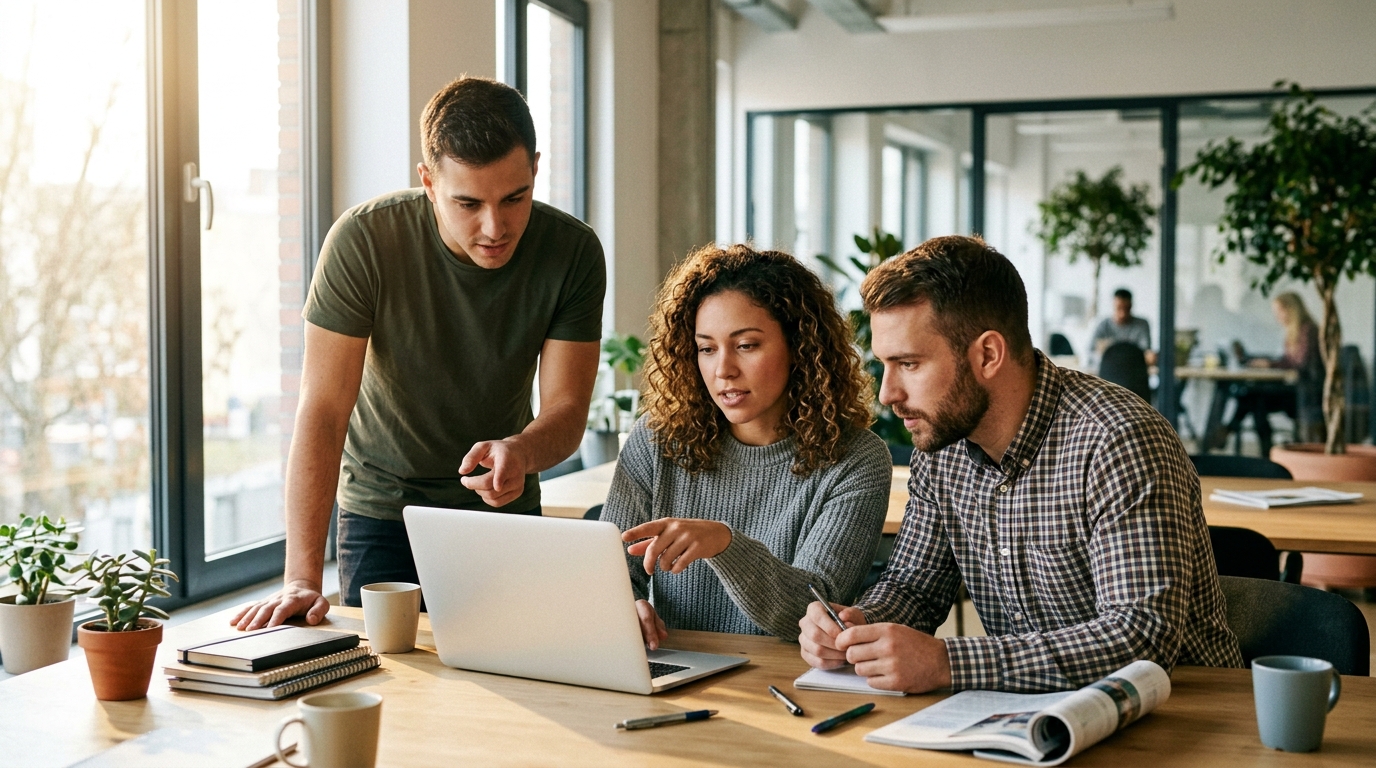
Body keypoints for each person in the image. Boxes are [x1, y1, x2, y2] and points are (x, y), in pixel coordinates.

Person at [231, 77, 605, 630]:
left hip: (503, 510)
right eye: (468, 203)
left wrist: (520, 453)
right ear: (428, 182)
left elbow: (567, 411)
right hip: (383, 511)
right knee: (394, 691)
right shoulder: (364, 241)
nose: (495, 227)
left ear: (535, 170)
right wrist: (301, 578)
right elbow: (324, 411)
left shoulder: (572, 252)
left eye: (514, 198)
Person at [798, 235, 1242, 694]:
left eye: (908, 364)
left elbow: (1141, 637)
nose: (888, 394)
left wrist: (949, 662)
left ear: (988, 355)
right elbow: (915, 586)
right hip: (1030, 719)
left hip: (1184, 719)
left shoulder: (1117, 439)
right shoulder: (943, 445)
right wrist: (856, 629)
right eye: (885, 365)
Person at [601, 245, 892, 645]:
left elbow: (813, 615)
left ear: (800, 348)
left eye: (746, 345)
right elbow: (609, 571)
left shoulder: (857, 459)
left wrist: (726, 545)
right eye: (706, 348)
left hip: (783, 683)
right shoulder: (657, 439)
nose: (723, 370)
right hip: (676, 671)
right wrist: (623, 606)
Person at [1226, 291, 1325, 452]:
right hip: (1294, 389)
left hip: (1303, 393)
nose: (1277, 316)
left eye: (1279, 312)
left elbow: (1298, 363)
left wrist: (1270, 364)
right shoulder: (1294, 331)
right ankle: (1264, 449)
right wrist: (1266, 362)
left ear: (1290, 309)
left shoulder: (1308, 330)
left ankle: (1233, 431)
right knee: (1252, 396)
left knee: (1253, 397)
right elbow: (1288, 360)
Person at [1090, 288, 1156, 366]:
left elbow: (1145, 352)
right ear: (1113, 305)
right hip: (1108, 370)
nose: (1123, 314)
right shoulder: (1103, 325)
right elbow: (1091, 352)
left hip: (1134, 371)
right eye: (1119, 308)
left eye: (1127, 309)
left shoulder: (1142, 324)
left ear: (1131, 306)